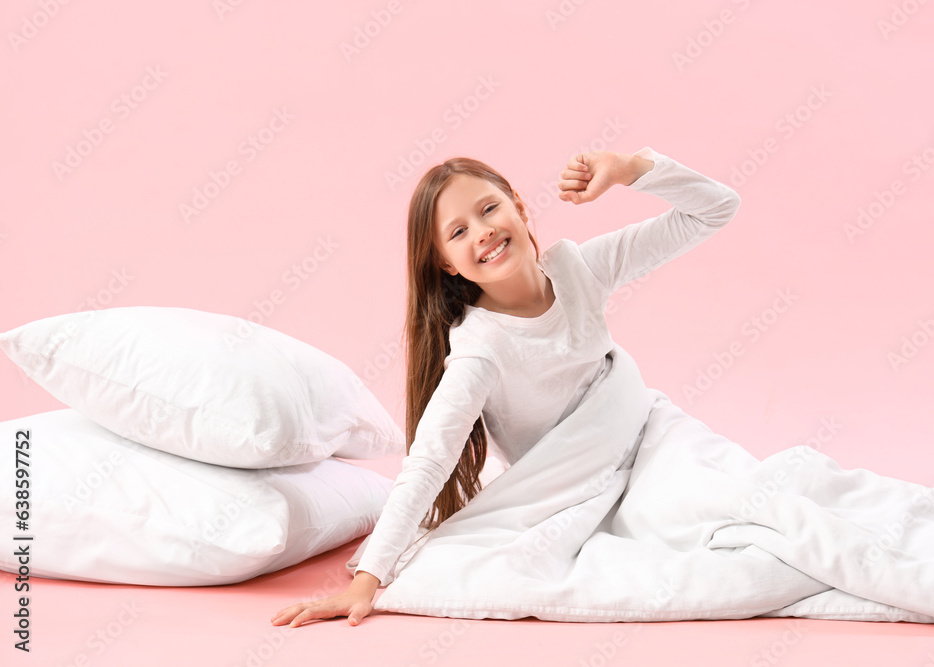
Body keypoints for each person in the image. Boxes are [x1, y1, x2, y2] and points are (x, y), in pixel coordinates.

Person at [270, 144, 741, 628]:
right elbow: (429, 461)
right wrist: (367, 580)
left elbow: (717, 208)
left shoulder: (581, 269)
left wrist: (629, 170)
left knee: (756, 509)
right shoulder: (480, 351)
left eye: (489, 208)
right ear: (447, 264)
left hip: (654, 437)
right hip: (574, 490)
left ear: (519, 204)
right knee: (682, 557)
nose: (484, 231)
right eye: (458, 232)